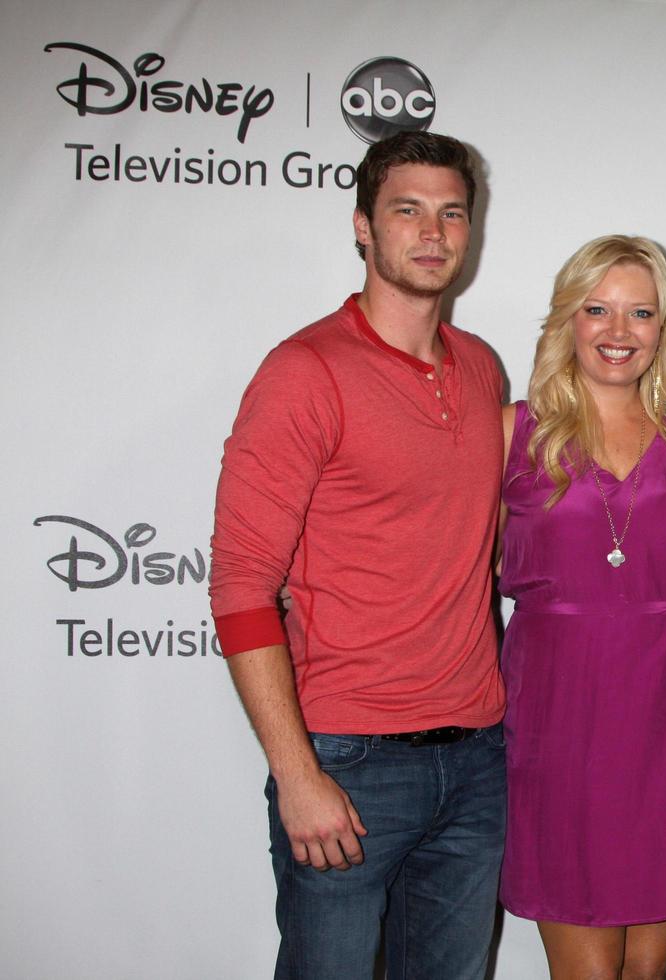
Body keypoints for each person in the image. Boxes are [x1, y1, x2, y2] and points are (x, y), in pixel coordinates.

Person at [209, 131, 507, 979]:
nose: (432, 233)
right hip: (348, 759)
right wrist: (296, 775)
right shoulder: (307, 372)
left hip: (479, 757)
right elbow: (239, 587)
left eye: (452, 214)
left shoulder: (481, 369)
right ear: (362, 228)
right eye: (406, 210)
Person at [497, 235, 666, 979]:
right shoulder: (515, 432)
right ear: (567, 320)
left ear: (664, 328)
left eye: (640, 312)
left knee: (645, 974)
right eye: (597, 309)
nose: (617, 331)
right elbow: (451, 564)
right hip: (562, 730)